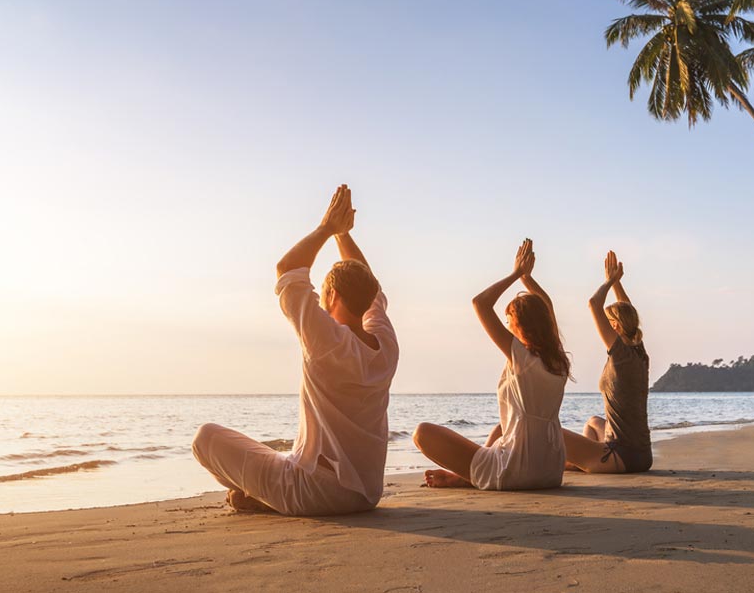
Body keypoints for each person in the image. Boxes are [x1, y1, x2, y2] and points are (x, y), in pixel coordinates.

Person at [192, 184, 399, 515]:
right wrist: (343, 236)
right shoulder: (385, 343)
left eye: (324, 294)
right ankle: (262, 494)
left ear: (332, 298)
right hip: (366, 494)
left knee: (205, 438)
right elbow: (368, 285)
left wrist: (328, 228)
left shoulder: (326, 339)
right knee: (278, 456)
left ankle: (263, 498)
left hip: (313, 492)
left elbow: (288, 270)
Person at [413, 238, 570, 490]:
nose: (507, 327)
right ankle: (466, 477)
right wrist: (527, 279)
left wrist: (516, 273)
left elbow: (480, 304)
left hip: (518, 469)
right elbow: (547, 307)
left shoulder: (522, 357)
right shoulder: (558, 360)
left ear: (521, 325)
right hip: (551, 469)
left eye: (510, 321)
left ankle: (469, 477)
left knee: (422, 433)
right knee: (500, 430)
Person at [562, 251, 652, 474]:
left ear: (615, 326)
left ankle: (581, 463)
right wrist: (618, 284)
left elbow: (594, 304)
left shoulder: (621, 356)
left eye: (609, 321)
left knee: (549, 432)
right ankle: (583, 462)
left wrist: (609, 281)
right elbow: (628, 311)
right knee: (593, 422)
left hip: (621, 455)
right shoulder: (639, 353)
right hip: (642, 454)